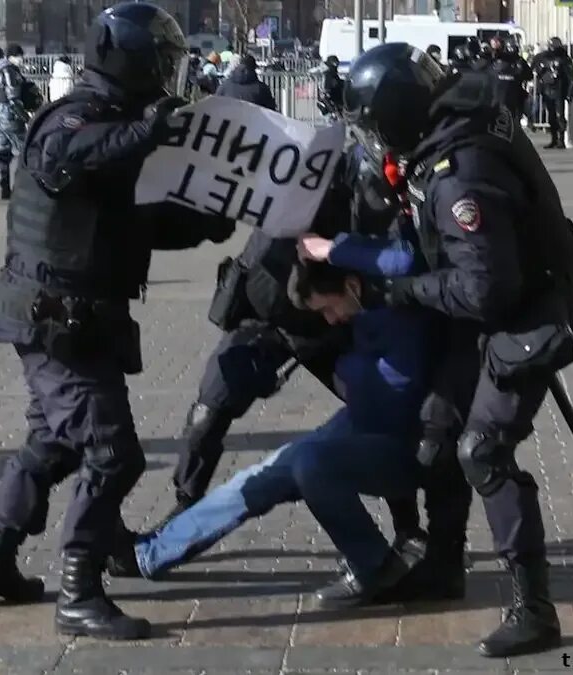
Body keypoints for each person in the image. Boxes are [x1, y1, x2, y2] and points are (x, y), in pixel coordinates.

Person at [0, 2, 235, 640]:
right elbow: (71, 156)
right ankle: (78, 593)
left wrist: (207, 221)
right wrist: (149, 130)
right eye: (160, 62)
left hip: (80, 320)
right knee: (112, 454)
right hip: (54, 320)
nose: (169, 73)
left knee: (53, 444)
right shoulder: (73, 118)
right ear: (130, 61)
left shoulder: (117, 127)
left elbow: (134, 220)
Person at [340, 43, 573, 658]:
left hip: (524, 314)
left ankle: (534, 606)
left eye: (374, 124)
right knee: (435, 430)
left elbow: (483, 289)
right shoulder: (454, 126)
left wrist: (403, 290)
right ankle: (443, 568)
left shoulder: (459, 173)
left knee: (483, 449)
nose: (374, 138)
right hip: (497, 300)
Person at [110, 262, 432, 607]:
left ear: (352, 285)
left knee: (310, 464)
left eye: (328, 307)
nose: (330, 318)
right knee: (257, 478)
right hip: (361, 422)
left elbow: (392, 388)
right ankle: (150, 553)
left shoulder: (398, 311)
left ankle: (374, 565)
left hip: (403, 439)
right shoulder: (358, 310)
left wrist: (340, 362)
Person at [154, 144, 422, 545]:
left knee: (376, 415)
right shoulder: (274, 185)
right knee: (208, 410)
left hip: (330, 324)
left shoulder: (358, 197)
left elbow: (395, 256)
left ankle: (408, 529)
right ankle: (185, 503)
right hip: (265, 319)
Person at [0, 44, 41, 199]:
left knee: (2, 153)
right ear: (11, 57)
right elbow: (13, 99)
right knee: (27, 151)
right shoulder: (10, 72)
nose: (21, 59)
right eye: (19, 56)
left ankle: (4, 188)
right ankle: (31, 187)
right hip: (10, 116)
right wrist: (26, 118)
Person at [533, 37, 572, 149]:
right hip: (547, 89)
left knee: (560, 116)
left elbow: (569, 76)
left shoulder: (564, 59)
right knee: (551, 116)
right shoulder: (542, 57)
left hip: (559, 89)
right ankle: (554, 139)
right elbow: (536, 70)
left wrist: (569, 92)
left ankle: (561, 139)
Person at [490, 39, 533, 117]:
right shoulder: (499, 60)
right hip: (503, 94)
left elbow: (529, 75)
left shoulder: (519, 61)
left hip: (512, 93)